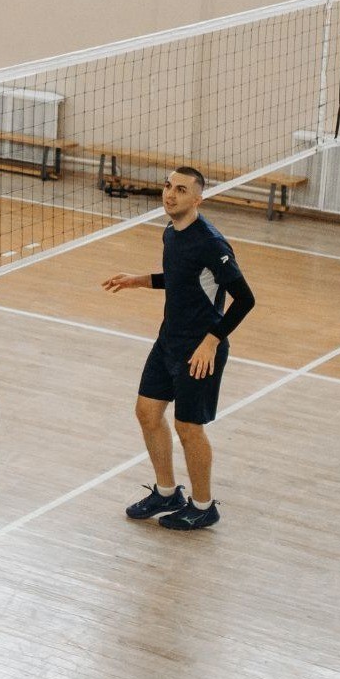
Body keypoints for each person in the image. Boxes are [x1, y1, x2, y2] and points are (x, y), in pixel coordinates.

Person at [102, 167, 256, 531]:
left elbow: (245, 300)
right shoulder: (171, 231)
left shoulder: (212, 244)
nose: (170, 194)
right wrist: (140, 280)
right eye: (168, 186)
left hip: (200, 348)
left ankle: (203, 506)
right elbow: (180, 278)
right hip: (168, 339)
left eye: (181, 190)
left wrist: (211, 341)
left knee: (188, 427)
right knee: (147, 413)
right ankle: (166, 492)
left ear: (197, 199)